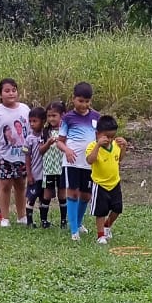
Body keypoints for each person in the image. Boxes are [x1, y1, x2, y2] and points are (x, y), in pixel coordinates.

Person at [0, 78, 31, 227]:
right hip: (3, 157)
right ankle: (4, 217)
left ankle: (22, 216)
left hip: (22, 156)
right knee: (4, 185)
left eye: (14, 90)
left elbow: (30, 132)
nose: (11, 93)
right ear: (0, 94)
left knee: (21, 185)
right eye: (7, 91)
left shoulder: (25, 109)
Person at [57, 81, 100, 241]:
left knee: (86, 196)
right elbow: (60, 141)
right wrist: (67, 150)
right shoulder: (67, 118)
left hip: (89, 162)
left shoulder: (96, 117)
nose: (84, 105)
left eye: (87, 101)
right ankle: (74, 230)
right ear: (73, 99)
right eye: (80, 101)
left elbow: (100, 138)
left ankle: (79, 222)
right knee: (73, 193)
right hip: (72, 162)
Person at [86, 115, 128, 244]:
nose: (109, 140)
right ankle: (100, 235)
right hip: (100, 184)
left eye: (112, 137)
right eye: (106, 136)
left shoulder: (115, 145)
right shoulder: (92, 146)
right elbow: (90, 160)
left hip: (115, 183)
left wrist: (124, 147)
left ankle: (107, 225)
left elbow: (119, 158)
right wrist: (98, 146)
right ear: (97, 134)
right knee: (101, 211)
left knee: (117, 208)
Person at [41, 100, 67, 229]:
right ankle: (44, 220)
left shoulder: (65, 131)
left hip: (62, 167)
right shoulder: (45, 132)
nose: (51, 118)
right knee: (47, 194)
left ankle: (64, 221)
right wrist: (48, 143)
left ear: (62, 115)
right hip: (49, 168)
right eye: (49, 116)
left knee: (62, 194)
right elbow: (40, 150)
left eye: (54, 115)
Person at [25, 105, 47, 227]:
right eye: (30, 121)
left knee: (44, 198)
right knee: (32, 197)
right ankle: (29, 221)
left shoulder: (47, 135)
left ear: (43, 121)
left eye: (35, 121)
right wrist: (29, 174)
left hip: (46, 174)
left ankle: (44, 220)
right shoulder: (29, 138)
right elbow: (27, 157)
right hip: (35, 174)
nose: (32, 124)